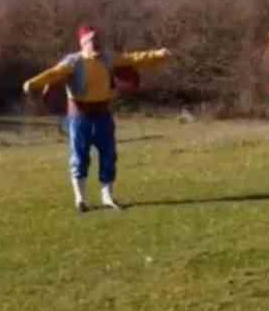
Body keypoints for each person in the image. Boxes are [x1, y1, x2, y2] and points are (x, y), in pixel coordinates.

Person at [22, 25, 171, 212]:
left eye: (98, 39)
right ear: (83, 42)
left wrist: (158, 54)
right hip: (79, 116)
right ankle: (80, 199)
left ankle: (107, 197)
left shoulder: (109, 58)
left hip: (103, 114)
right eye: (92, 40)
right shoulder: (73, 61)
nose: (97, 43)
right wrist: (33, 83)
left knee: (108, 155)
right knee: (79, 156)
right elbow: (53, 74)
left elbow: (134, 58)